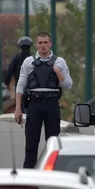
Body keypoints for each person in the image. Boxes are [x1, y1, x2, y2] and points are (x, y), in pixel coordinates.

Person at [14, 31, 73, 169]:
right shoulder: (29, 62)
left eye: (45, 42)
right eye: (40, 43)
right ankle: (28, 174)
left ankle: (52, 172)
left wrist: (58, 73)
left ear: (50, 44)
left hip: (52, 103)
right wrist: (18, 108)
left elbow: (68, 85)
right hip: (34, 102)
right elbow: (21, 84)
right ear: (36, 45)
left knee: (52, 142)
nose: (43, 45)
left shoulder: (60, 62)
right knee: (31, 143)